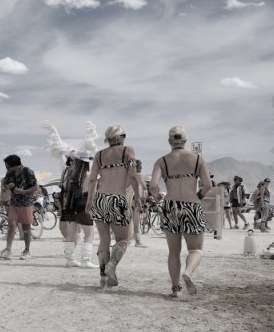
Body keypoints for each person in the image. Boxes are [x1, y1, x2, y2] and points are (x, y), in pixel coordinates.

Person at [149, 126, 211, 298]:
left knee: (173, 252)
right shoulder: (198, 159)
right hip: (191, 204)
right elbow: (208, 186)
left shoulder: (162, 161)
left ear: (169, 141)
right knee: (196, 249)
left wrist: (158, 199)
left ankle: (175, 289)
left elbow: (153, 186)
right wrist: (197, 196)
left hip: (170, 206)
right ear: (185, 141)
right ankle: (189, 273)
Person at [85, 125, 140, 286]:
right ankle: (112, 264)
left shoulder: (99, 155)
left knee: (104, 238)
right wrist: (138, 197)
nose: (124, 138)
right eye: (123, 135)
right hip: (118, 199)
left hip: (100, 199)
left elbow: (93, 179)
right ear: (117, 137)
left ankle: (103, 275)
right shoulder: (127, 151)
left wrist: (89, 201)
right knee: (124, 238)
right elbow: (133, 175)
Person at [59, 151, 98, 268]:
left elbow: (65, 190)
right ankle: (85, 260)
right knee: (89, 233)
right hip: (83, 204)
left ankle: (70, 259)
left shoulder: (70, 174)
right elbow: (93, 194)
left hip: (70, 205)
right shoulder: (90, 175)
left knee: (71, 233)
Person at [0, 154, 39, 260]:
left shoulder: (28, 172)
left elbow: (35, 187)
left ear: (15, 165)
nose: (6, 168)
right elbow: (5, 184)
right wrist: (8, 186)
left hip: (26, 203)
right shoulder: (9, 172)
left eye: (8, 166)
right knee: (11, 225)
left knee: (26, 228)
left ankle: (26, 251)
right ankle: (8, 249)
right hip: (14, 203)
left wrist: (23, 191)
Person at [131, 159, 148, 248]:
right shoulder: (138, 176)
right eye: (140, 167)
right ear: (136, 167)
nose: (141, 168)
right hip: (137, 200)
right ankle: (137, 242)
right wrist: (145, 199)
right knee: (136, 223)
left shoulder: (128, 175)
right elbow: (144, 187)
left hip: (129, 199)